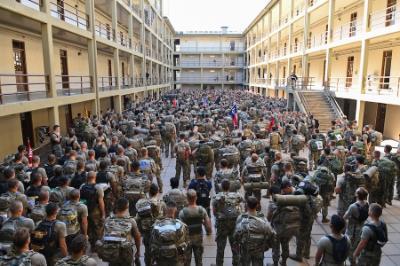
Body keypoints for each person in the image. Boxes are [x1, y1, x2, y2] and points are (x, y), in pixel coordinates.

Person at [96, 198, 141, 266]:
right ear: (127, 207)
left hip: (111, 252)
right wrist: (138, 251)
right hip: (126, 253)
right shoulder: (131, 221)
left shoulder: (108, 219)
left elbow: (100, 235)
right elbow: (137, 237)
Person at [233, 196, 275, 266]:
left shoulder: (241, 218)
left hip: (245, 249)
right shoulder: (263, 218)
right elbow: (271, 233)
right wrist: (268, 245)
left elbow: (236, 235)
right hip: (259, 249)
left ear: (246, 205)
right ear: (257, 205)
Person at [212, 179, 243, 266]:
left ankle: (219, 264)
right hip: (234, 224)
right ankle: (236, 263)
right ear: (230, 187)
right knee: (235, 246)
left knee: (220, 247)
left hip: (222, 225)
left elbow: (214, 212)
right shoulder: (237, 196)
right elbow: (241, 204)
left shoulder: (217, 197)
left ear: (221, 187)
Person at [179, 189, 212, 266]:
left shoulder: (183, 212)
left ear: (187, 198)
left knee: (186, 262)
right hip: (198, 238)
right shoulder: (201, 210)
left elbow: (180, 229)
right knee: (199, 260)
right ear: (196, 198)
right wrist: (208, 231)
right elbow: (208, 225)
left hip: (187, 240)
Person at [151, 201, 189, 266]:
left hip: (161, 259)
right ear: (176, 209)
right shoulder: (181, 225)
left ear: (165, 209)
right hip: (177, 260)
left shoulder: (156, 225)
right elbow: (186, 243)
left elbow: (153, 243)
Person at [135, 184, 164, 266]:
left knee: (147, 250)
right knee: (159, 250)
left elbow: (137, 218)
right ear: (157, 192)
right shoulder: (161, 203)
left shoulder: (142, 203)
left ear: (149, 192)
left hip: (147, 232)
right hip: (159, 232)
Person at [79, 171, 105, 251]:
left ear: (87, 177)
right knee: (97, 228)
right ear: (95, 177)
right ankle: (96, 246)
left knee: (88, 228)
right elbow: (101, 202)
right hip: (95, 210)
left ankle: (89, 244)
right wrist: (103, 213)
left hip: (84, 210)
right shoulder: (98, 187)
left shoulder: (82, 186)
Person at [344, 187, 369, 265]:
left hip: (352, 230)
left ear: (357, 195)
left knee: (350, 247)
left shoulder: (353, 206)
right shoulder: (367, 204)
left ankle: (352, 261)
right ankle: (356, 258)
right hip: (361, 228)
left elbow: (345, 217)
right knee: (357, 245)